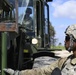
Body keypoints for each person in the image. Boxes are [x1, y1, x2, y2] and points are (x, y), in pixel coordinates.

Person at [4, 24, 76, 75]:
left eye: (67, 38)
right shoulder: (65, 61)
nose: (64, 41)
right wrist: (17, 73)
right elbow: (42, 71)